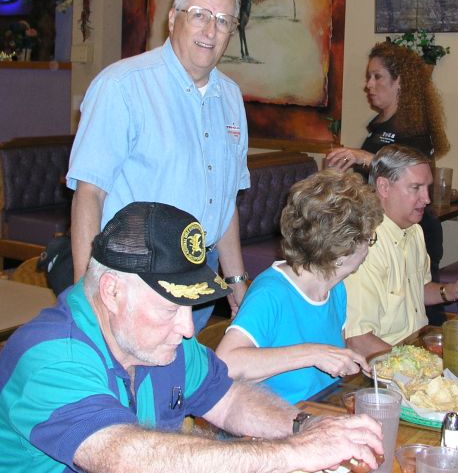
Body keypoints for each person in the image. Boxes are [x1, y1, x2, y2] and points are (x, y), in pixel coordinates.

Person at [0, 202, 383, 473]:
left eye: (191, 307)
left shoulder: (162, 343)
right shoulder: (52, 356)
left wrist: (304, 426)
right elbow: (122, 457)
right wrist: (293, 453)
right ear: (113, 292)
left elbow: (229, 399)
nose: (188, 329)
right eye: (170, 308)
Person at [67, 0, 249, 333]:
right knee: (123, 385)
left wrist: (236, 278)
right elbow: (89, 194)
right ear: (173, 18)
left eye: (224, 20)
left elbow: (223, 200)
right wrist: (87, 298)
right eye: (199, 14)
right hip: (132, 278)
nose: (211, 30)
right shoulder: (121, 86)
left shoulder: (231, 97)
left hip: (198, 276)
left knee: (176, 383)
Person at [216, 169, 383, 403]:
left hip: (319, 414)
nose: (369, 246)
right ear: (340, 251)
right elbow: (226, 365)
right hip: (271, 427)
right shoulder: (272, 292)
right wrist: (313, 353)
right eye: (368, 238)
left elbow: (326, 376)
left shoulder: (335, 289)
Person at [324, 41, 451, 323]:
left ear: (399, 83)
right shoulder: (379, 126)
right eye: (368, 76)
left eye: (377, 76)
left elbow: (411, 171)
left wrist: (363, 157)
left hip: (414, 228)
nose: (368, 84)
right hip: (381, 229)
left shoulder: (415, 130)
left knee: (419, 307)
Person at [343, 145, 458, 358]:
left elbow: (417, 290)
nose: (427, 198)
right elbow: (358, 340)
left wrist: (453, 291)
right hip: (381, 366)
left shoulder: (413, 231)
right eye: (416, 188)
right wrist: (421, 366)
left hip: (415, 349)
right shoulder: (365, 245)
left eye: (427, 187)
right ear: (383, 187)